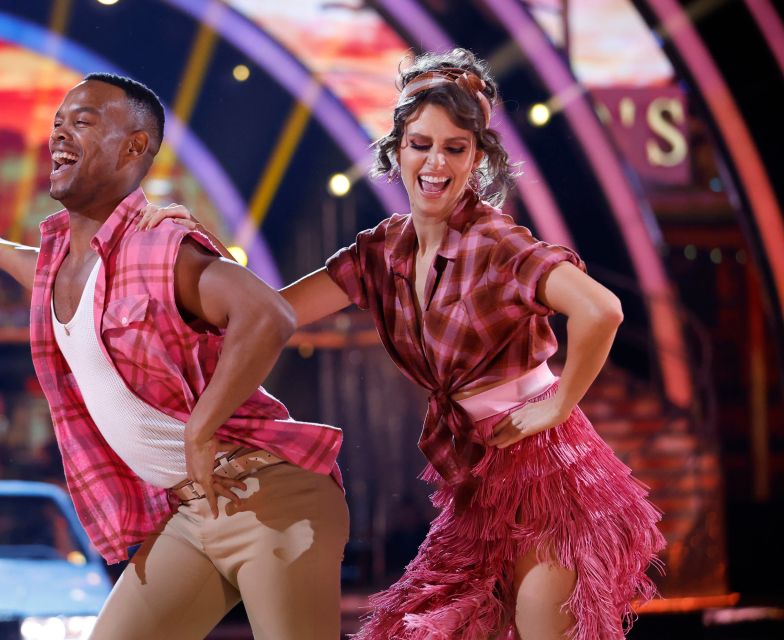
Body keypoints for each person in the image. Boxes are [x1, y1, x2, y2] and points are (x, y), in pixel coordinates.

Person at [141, 49, 665, 640]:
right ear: (397, 150)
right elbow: (272, 311)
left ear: (478, 159)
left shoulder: (496, 243)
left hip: (547, 472)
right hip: (477, 476)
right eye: (420, 144)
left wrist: (559, 404)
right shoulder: (380, 252)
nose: (435, 162)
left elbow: (602, 310)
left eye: (455, 147)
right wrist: (187, 240)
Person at [0, 72, 348, 640]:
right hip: (191, 512)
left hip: (269, 494)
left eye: (83, 122)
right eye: (58, 123)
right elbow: (38, 266)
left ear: (135, 147)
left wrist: (200, 429)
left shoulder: (160, 243)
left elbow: (269, 316)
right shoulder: (59, 262)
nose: (60, 134)